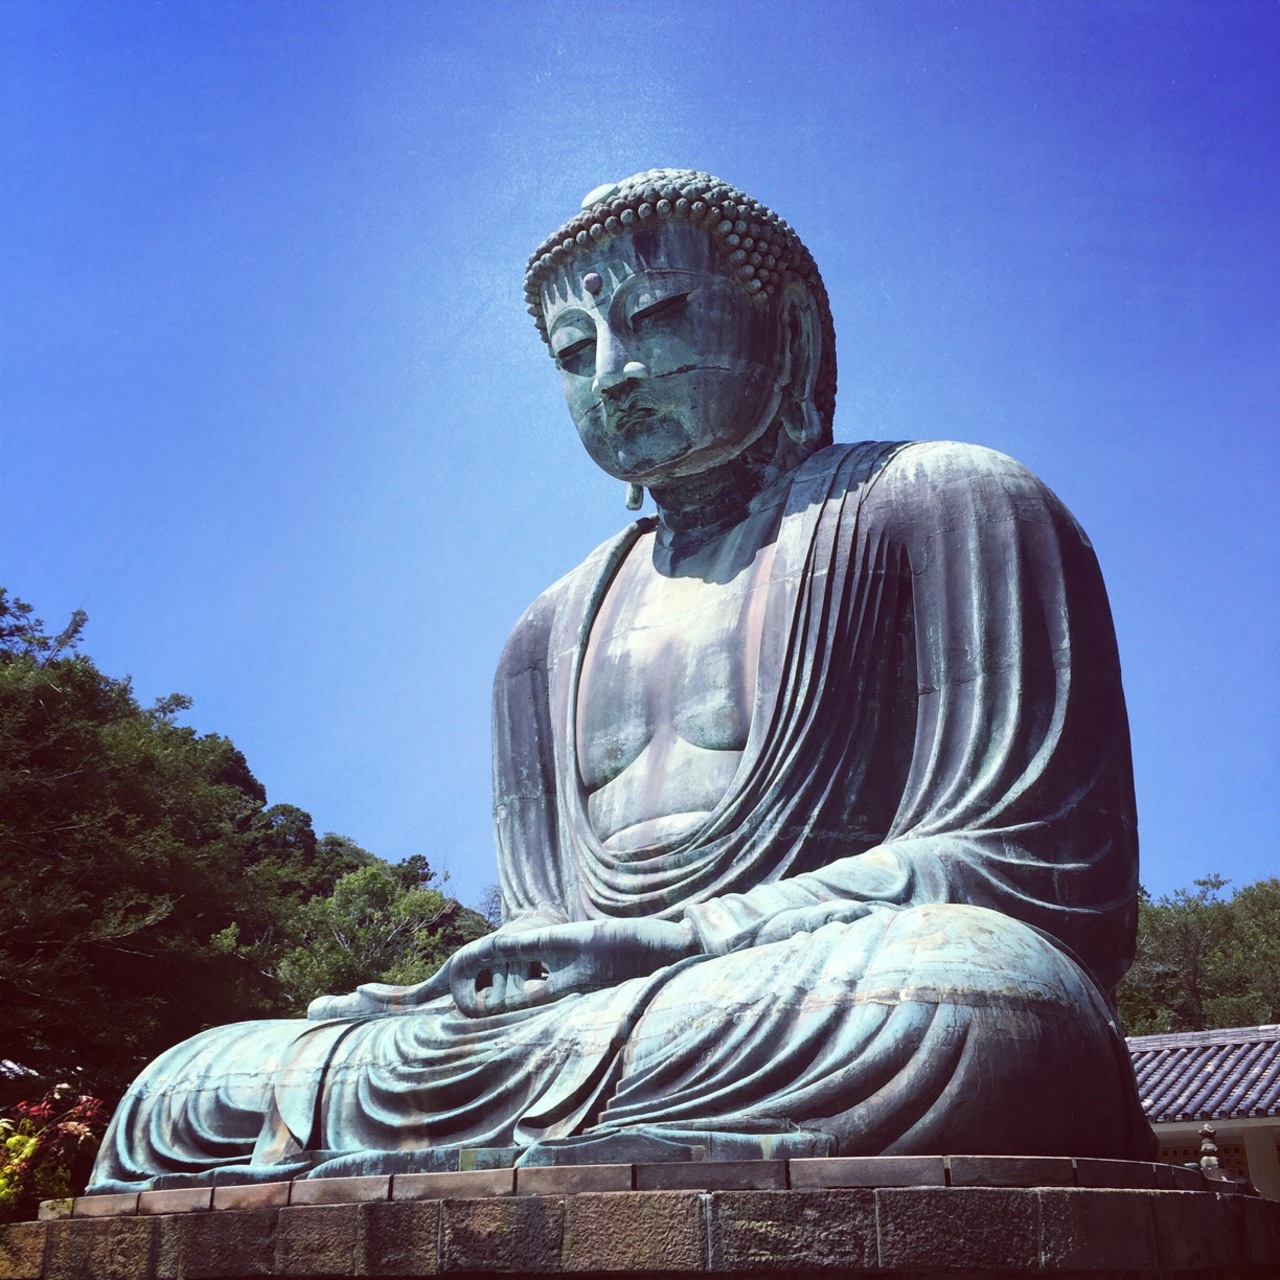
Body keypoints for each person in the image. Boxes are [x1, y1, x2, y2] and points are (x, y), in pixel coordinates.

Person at [89, 170, 1152, 1192]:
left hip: (809, 986)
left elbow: (1039, 875)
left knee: (980, 998)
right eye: (572, 350)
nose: (611, 374)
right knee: (188, 1088)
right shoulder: (544, 632)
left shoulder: (943, 501)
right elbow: (542, 926)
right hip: (606, 1030)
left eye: (657, 316)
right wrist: (496, 983)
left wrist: (688, 938)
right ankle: (547, 1132)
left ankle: (563, 1130)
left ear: (789, 330)